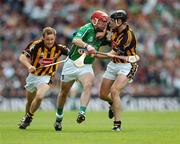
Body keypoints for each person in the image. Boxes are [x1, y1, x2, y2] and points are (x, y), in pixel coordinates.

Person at [54, 10, 112, 131]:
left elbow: (114, 36)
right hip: (71, 64)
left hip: (86, 66)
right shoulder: (87, 28)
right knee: (64, 92)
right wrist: (87, 46)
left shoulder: (104, 31)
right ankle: (59, 117)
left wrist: (108, 38)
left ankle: (82, 112)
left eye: (106, 23)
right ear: (94, 21)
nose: (104, 25)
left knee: (88, 85)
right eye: (102, 22)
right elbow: (75, 40)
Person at [18, 27, 69, 129]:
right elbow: (22, 57)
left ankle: (29, 117)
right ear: (43, 38)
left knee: (40, 96)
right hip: (33, 76)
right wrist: (29, 66)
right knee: (30, 101)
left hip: (47, 77)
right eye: (47, 39)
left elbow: (73, 54)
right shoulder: (35, 45)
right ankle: (26, 117)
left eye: (52, 39)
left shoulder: (59, 48)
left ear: (55, 38)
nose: (50, 42)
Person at [99, 10, 139, 131]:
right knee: (102, 95)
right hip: (114, 64)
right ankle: (113, 104)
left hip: (127, 65)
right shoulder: (113, 29)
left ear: (119, 21)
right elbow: (106, 39)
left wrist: (95, 54)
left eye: (112, 20)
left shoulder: (128, 36)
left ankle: (117, 125)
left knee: (114, 91)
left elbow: (111, 54)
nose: (110, 22)